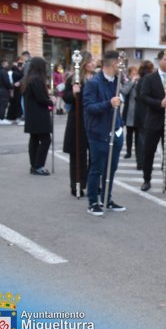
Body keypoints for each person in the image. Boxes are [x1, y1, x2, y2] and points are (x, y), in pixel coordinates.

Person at [83, 50, 127, 216]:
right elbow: (89, 108)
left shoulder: (117, 81)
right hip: (98, 133)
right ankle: (93, 201)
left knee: (112, 168)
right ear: (115, 63)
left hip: (115, 131)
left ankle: (107, 198)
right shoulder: (94, 83)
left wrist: (120, 125)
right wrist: (108, 103)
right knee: (97, 168)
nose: (122, 67)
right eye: (121, 63)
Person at [139, 51, 166, 193]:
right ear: (159, 61)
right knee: (148, 151)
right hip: (153, 120)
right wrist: (159, 103)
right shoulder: (149, 78)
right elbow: (144, 97)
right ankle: (146, 179)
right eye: (165, 59)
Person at [63, 51, 95, 197]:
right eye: (90, 61)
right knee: (78, 155)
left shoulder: (96, 78)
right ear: (83, 63)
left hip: (93, 120)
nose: (93, 63)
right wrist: (73, 93)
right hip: (77, 120)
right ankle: (77, 184)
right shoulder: (74, 78)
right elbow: (66, 98)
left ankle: (92, 183)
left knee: (94, 155)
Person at [22, 57, 54, 175]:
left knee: (34, 139)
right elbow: (41, 98)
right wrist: (51, 102)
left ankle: (34, 165)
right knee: (46, 139)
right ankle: (38, 165)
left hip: (32, 115)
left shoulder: (29, 78)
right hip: (39, 115)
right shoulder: (37, 80)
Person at [121, 66, 142, 162]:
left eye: (136, 73)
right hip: (129, 113)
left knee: (139, 136)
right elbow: (124, 92)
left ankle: (139, 154)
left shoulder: (141, 83)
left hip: (138, 114)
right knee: (129, 134)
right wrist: (132, 81)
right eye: (132, 74)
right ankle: (128, 152)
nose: (135, 75)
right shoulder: (127, 82)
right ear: (129, 75)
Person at [0, 59, 13, 125]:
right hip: (4, 90)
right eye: (7, 63)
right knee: (3, 105)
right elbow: (7, 82)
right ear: (4, 63)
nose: (8, 64)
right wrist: (11, 87)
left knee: (0, 104)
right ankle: (2, 119)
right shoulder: (4, 72)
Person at [8, 57, 25, 125]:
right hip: (16, 90)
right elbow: (12, 82)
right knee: (17, 104)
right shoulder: (15, 73)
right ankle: (17, 118)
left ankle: (12, 117)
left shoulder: (14, 72)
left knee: (15, 104)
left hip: (17, 90)